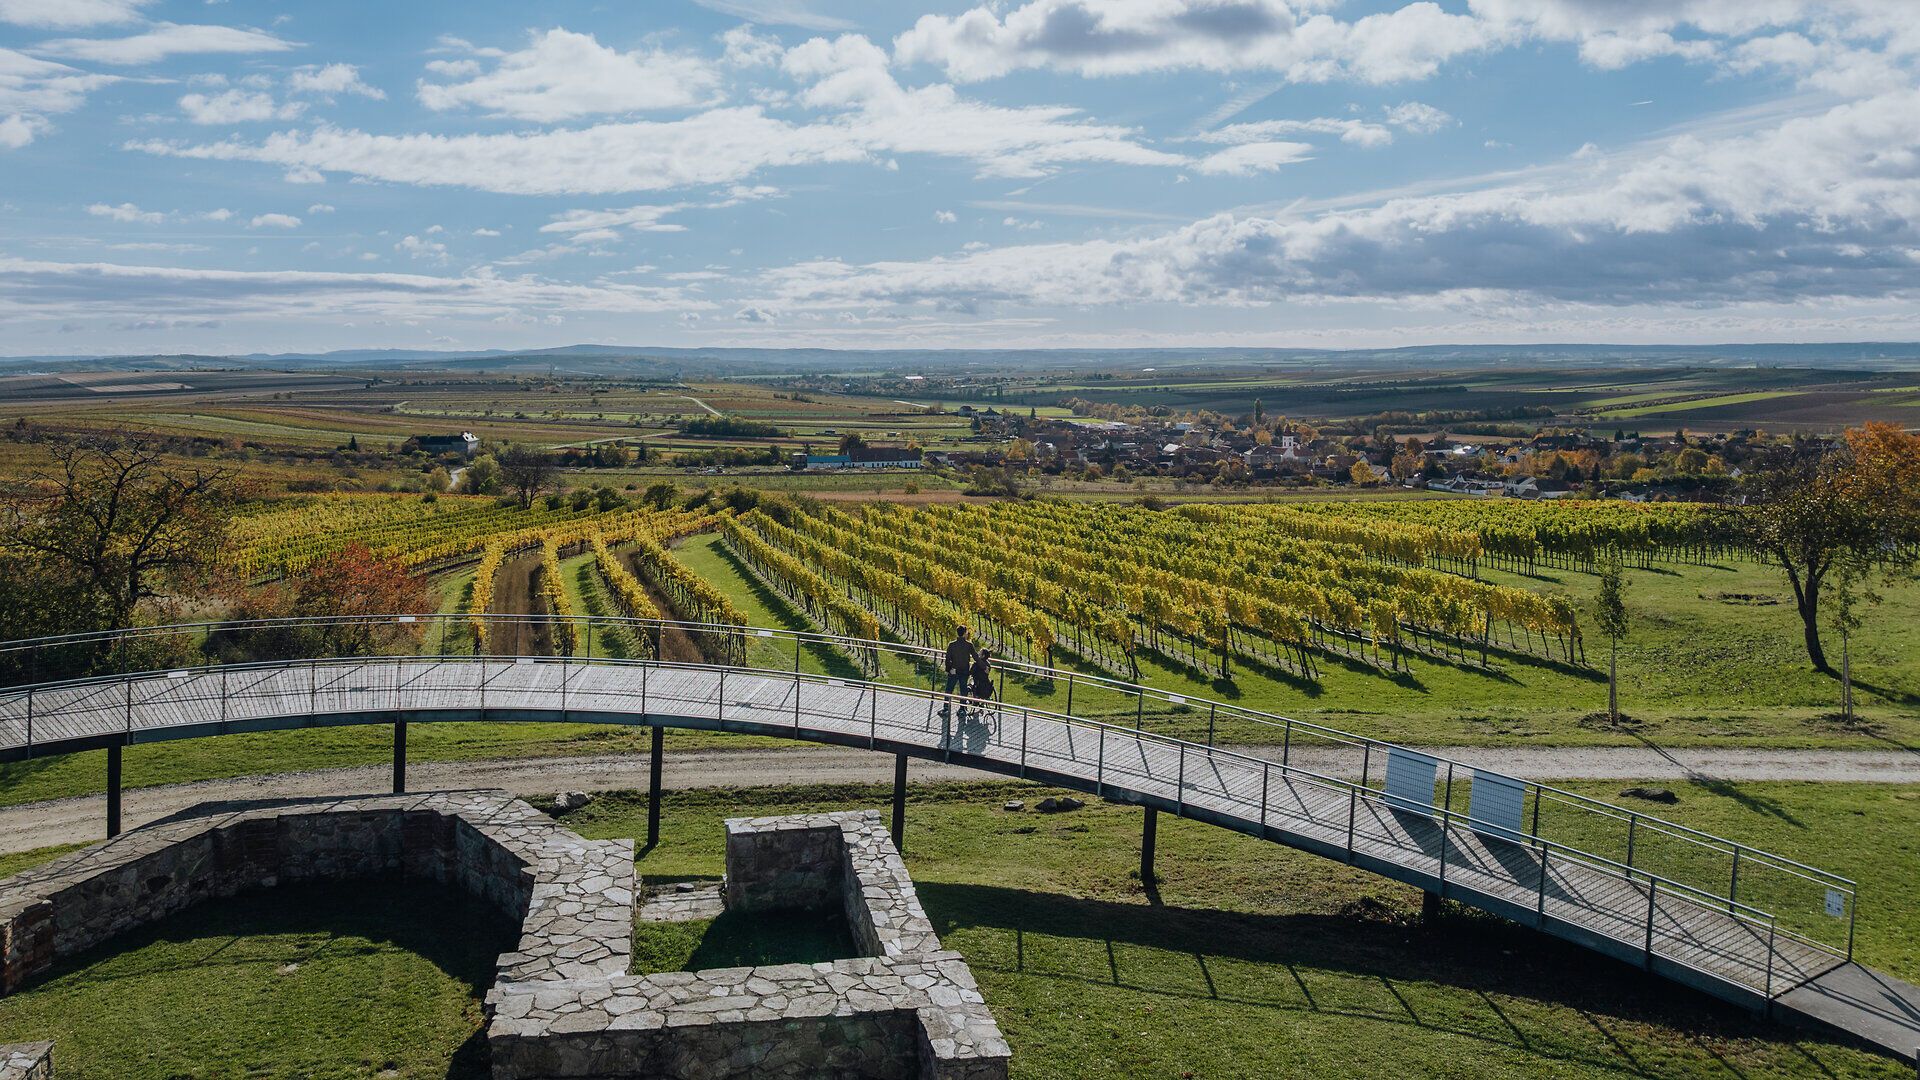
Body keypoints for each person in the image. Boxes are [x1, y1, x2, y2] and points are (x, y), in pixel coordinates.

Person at [943, 626, 976, 702]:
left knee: (949, 689)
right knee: (963, 690)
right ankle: (962, 708)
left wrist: (949, 669)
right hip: (964, 671)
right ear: (965, 633)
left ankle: (946, 707)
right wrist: (984, 666)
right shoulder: (969, 645)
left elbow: (947, 659)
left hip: (953, 670)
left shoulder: (951, 645)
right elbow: (976, 657)